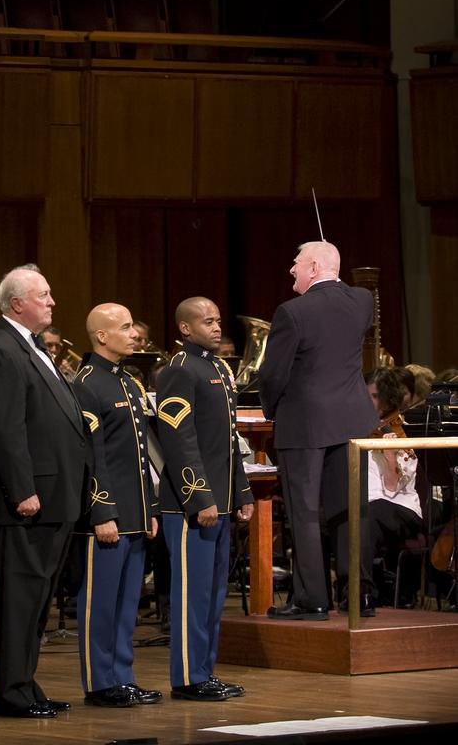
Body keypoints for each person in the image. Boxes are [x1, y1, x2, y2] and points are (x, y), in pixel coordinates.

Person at [0, 265, 91, 719]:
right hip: (29, 500)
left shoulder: (31, 346)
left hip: (56, 496)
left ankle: (24, 684)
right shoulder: (0, 349)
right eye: (43, 295)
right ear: (16, 303)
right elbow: (4, 428)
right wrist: (21, 489)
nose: (52, 302)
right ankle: (11, 693)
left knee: (38, 600)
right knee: (22, 600)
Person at [259, 241, 378, 619]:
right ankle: (358, 593)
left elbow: (273, 373)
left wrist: (271, 408)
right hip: (353, 419)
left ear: (312, 266)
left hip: (305, 421)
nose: (291, 270)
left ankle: (313, 599)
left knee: (305, 512)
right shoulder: (362, 301)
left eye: (296, 263)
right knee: (350, 508)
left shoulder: (291, 312)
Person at [157, 296, 253, 702]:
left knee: (214, 595)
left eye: (217, 320)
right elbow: (180, 441)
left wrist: (242, 492)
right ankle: (187, 678)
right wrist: (199, 498)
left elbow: (228, 440)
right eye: (207, 321)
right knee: (191, 596)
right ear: (185, 328)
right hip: (190, 505)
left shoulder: (217, 367)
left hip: (222, 500)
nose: (216, 327)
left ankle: (204, 672)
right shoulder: (179, 370)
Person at [72, 304, 160, 708]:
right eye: (125, 328)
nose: (134, 334)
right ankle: (99, 682)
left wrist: (151, 509)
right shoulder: (88, 382)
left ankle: (122, 676)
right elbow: (92, 456)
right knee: (101, 603)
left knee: (127, 605)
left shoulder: (127, 381)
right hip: (107, 513)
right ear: (102, 336)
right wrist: (101, 510)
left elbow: (140, 454)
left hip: (136, 510)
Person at [365, 369, 424, 606]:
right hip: (368, 505)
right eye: (367, 395)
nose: (370, 402)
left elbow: (390, 488)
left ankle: (363, 593)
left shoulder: (401, 433)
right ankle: (323, 599)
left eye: (376, 396)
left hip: (400, 508)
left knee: (366, 515)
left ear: (389, 399)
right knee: (324, 520)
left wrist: (389, 454)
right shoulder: (362, 428)